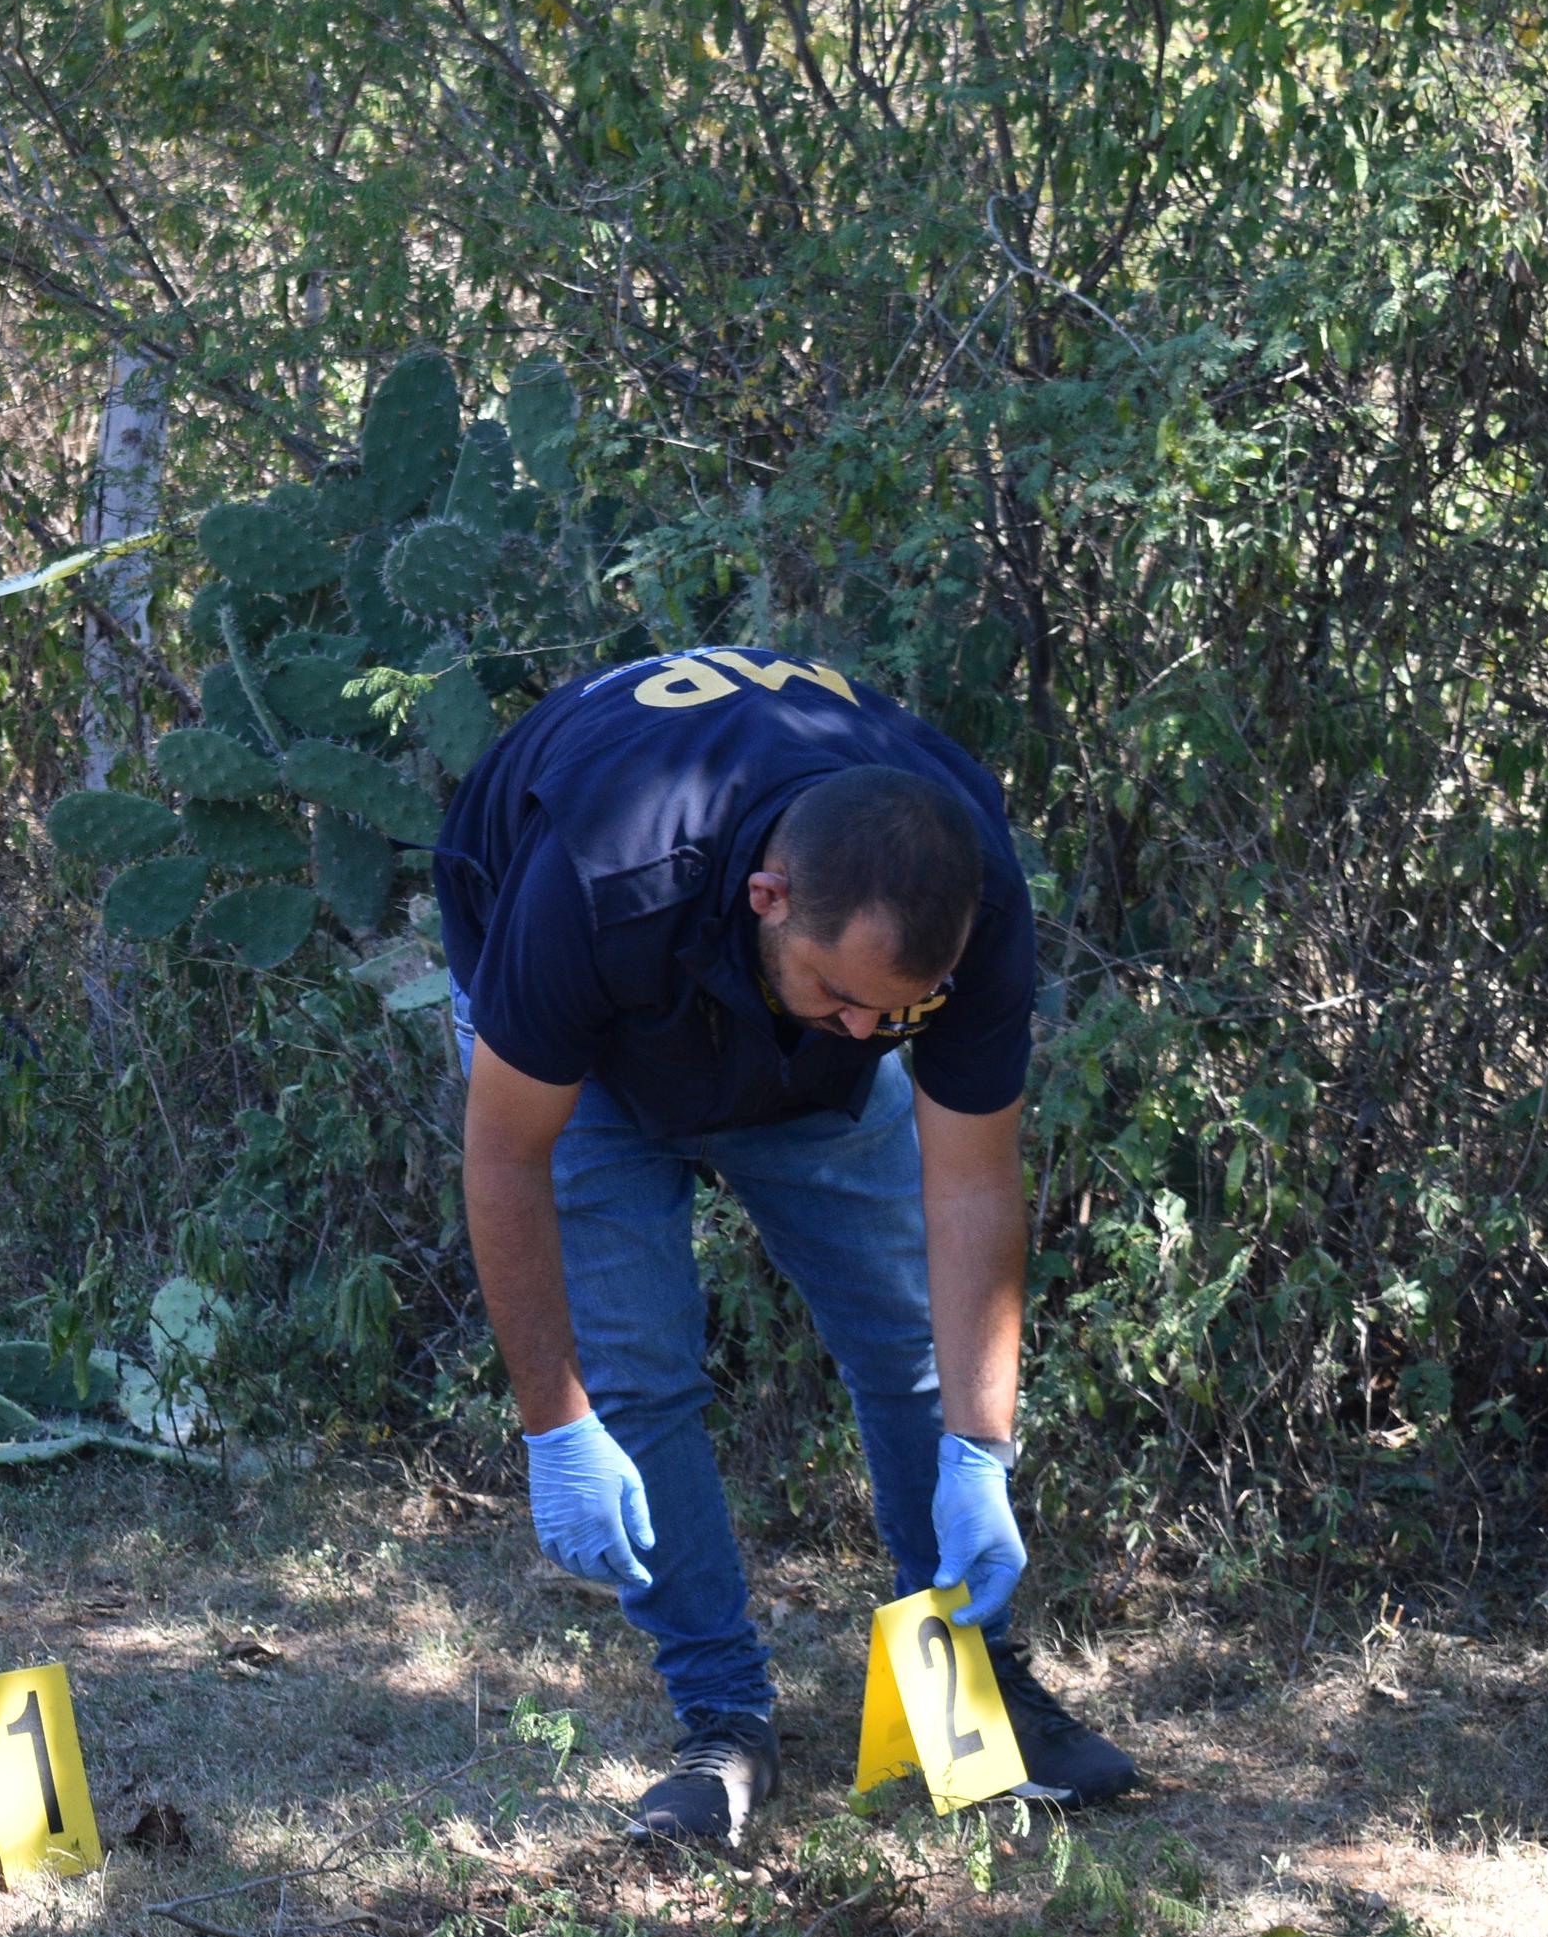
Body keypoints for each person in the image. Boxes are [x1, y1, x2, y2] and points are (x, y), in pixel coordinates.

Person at [435, 645, 1144, 1847]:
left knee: (904, 1340)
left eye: (899, 1011)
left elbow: (970, 1186)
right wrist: (555, 1429)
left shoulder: (965, 901)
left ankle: (963, 1683)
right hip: (586, 1036)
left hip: (778, 1041)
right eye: (845, 994)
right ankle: (719, 1719)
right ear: (769, 895)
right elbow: (503, 1155)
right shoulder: (604, 871)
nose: (871, 1028)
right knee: (640, 1373)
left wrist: (979, 1447)